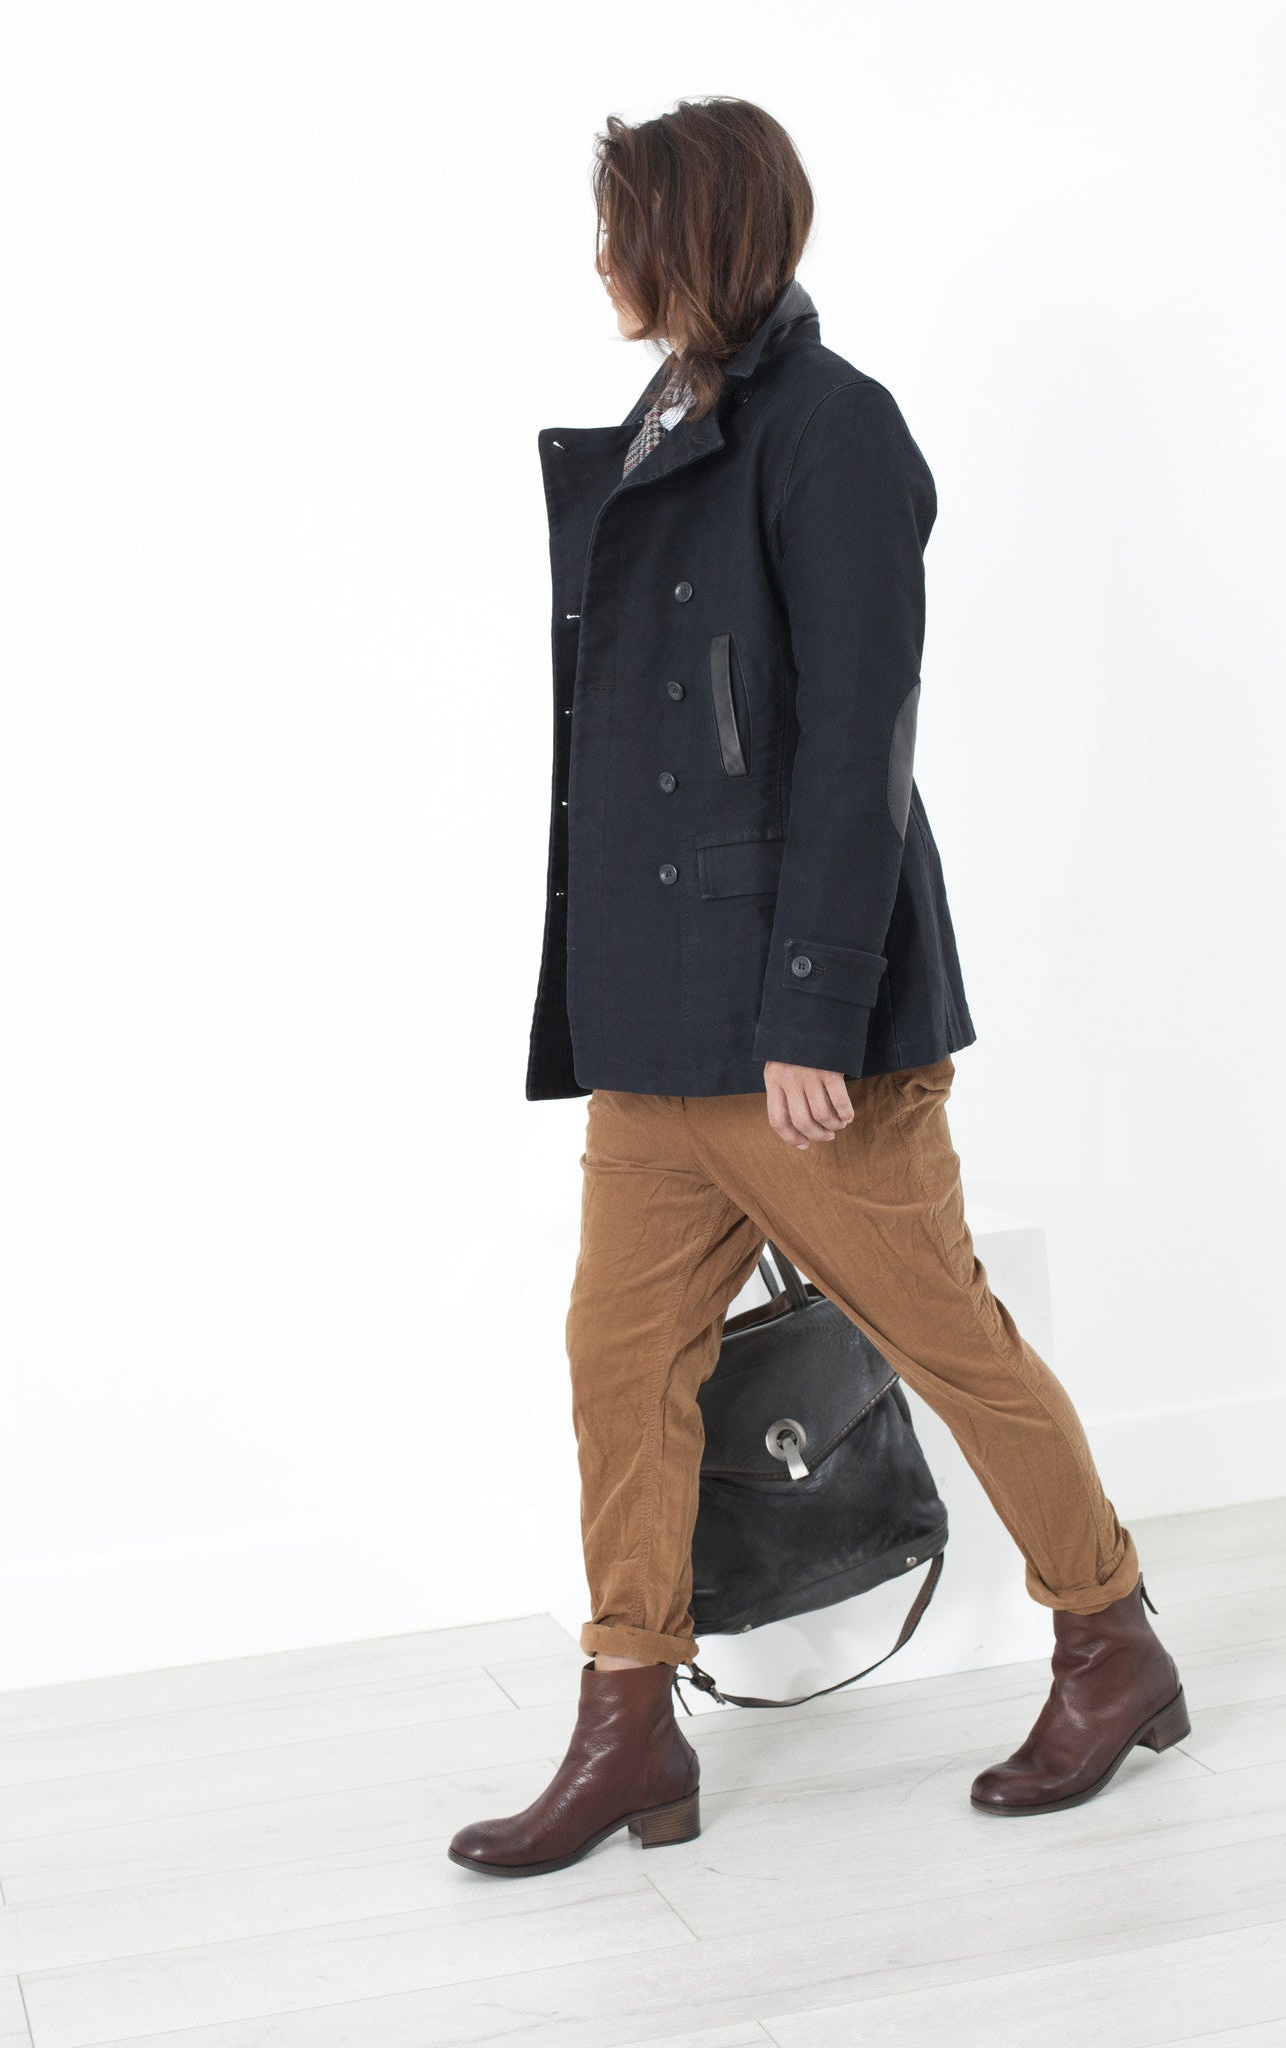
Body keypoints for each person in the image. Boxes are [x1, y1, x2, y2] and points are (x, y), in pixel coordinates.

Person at [448, 96, 1188, 1880]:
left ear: (688, 237)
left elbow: (862, 737)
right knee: (616, 1362)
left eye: (621, 229)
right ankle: (630, 1722)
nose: (600, 262)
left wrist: (813, 1008)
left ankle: (1109, 1641)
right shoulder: (662, 422)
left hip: (797, 1042)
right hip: (652, 1028)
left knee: (948, 1339)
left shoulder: (836, 431)